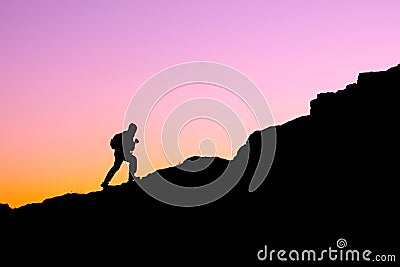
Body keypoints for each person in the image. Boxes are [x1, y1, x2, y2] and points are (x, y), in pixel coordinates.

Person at [101, 123, 139, 188]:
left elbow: (130, 148)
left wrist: (134, 143)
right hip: (121, 153)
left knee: (116, 167)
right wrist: (133, 143)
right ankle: (131, 178)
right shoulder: (126, 135)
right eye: (134, 130)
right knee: (132, 161)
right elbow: (130, 147)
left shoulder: (127, 135)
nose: (134, 132)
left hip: (121, 153)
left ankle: (105, 182)